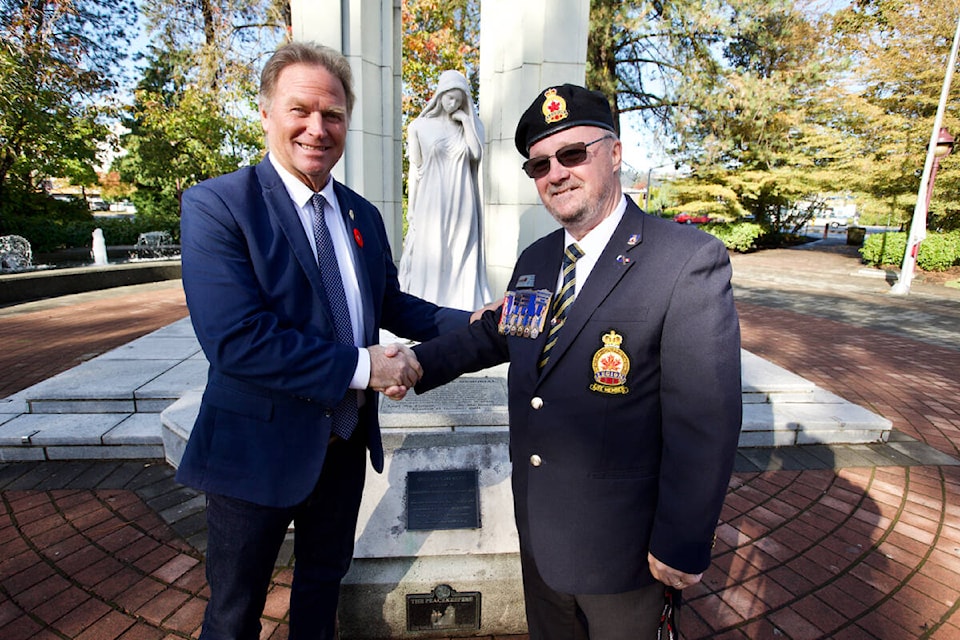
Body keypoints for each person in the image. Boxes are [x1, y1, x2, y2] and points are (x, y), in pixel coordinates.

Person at [411, 84, 742, 639]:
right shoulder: (539, 260)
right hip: (541, 531)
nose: (555, 173)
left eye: (572, 154)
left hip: (624, 549)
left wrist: (681, 539)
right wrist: (412, 365)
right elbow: (501, 334)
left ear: (614, 154)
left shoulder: (684, 261)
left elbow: (704, 420)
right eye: (539, 164)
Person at [175, 42, 471, 640]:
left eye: (332, 114)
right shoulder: (218, 205)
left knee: (320, 592)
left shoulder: (361, 213)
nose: (317, 128)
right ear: (266, 115)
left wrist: (480, 322)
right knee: (233, 614)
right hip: (253, 450)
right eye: (300, 110)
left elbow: (390, 303)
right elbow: (237, 341)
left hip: (340, 446)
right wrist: (366, 368)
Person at [398, 69, 492, 310]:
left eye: (459, 100)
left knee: (461, 254)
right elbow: (416, 171)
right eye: (450, 98)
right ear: (440, 96)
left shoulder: (470, 125)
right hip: (431, 202)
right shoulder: (419, 126)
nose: (453, 104)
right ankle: (427, 313)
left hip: (463, 201)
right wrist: (413, 209)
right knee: (433, 253)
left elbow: (476, 154)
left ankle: (460, 311)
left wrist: (465, 122)